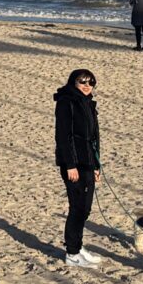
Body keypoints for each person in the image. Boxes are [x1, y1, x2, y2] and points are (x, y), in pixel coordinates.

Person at [53, 68, 103, 266]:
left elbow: (95, 136)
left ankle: (78, 247)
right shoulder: (66, 102)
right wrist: (70, 165)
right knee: (77, 207)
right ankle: (72, 253)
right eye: (82, 82)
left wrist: (97, 165)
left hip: (89, 161)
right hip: (73, 163)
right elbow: (63, 136)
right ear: (73, 82)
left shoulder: (88, 103)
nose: (86, 86)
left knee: (86, 208)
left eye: (91, 82)